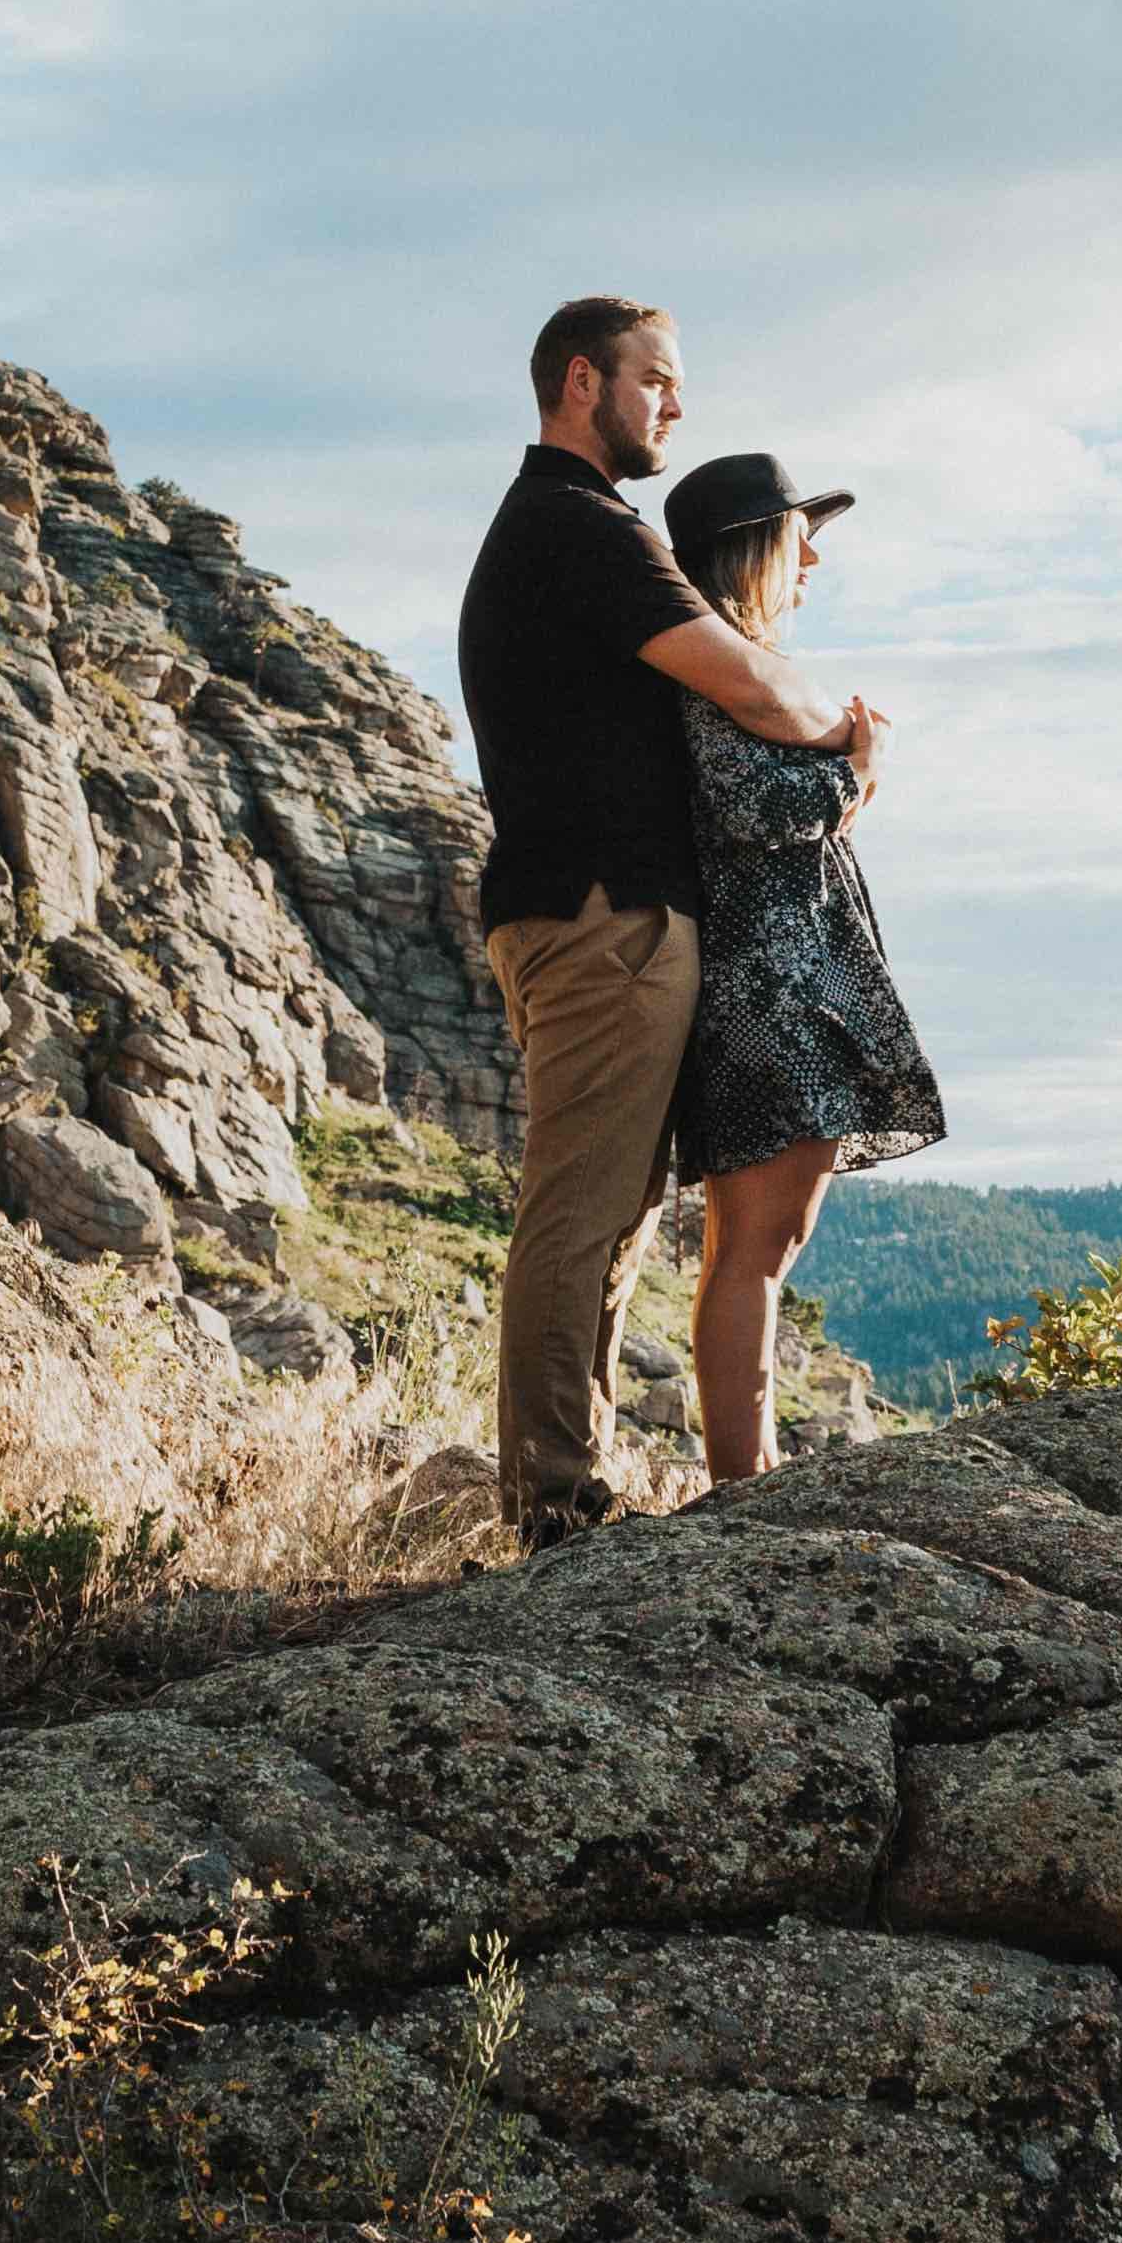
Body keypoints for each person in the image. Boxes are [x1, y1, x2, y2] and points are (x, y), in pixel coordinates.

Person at [456, 297, 856, 1542]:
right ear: (583, 381)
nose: (675, 404)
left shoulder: (561, 526)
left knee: (612, 1213)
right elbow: (754, 688)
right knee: (582, 1210)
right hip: (603, 915)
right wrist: (850, 734)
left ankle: (569, 1490)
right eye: (657, 379)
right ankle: (553, 1504)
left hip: (593, 910)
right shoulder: (582, 527)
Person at [661, 453, 944, 1479]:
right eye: (797, 538)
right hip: (766, 992)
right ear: (749, 551)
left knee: (765, 1245)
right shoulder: (714, 669)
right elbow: (751, 806)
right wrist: (859, 768)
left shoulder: (737, 669)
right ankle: (744, 1481)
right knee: (756, 1247)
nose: (813, 559)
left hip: (784, 985)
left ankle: (753, 1469)